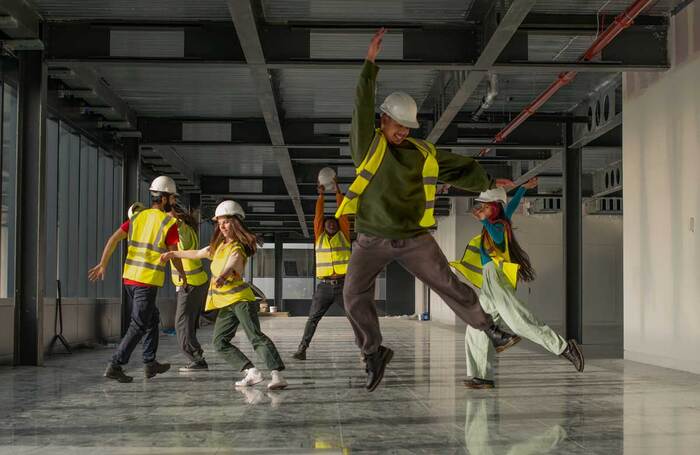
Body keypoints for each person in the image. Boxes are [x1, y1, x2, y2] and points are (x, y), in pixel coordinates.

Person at [336, 28, 519, 392]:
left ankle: (490, 329)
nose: (403, 132)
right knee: (353, 295)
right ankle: (373, 354)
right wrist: (369, 65)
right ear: (383, 120)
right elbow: (360, 107)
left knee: (447, 283)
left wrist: (492, 183)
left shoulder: (423, 155)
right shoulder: (367, 147)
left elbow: (461, 168)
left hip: (414, 238)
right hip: (371, 237)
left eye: (408, 127)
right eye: (397, 125)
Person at [451, 178, 585, 389]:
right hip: (489, 281)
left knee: (517, 320)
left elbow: (496, 235)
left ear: (493, 207)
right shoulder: (501, 218)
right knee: (476, 325)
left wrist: (484, 220)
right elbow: (510, 206)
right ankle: (481, 376)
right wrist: (522, 189)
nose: (481, 208)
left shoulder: (498, 226)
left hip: (496, 277)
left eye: (485, 206)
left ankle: (564, 348)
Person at [161, 200, 288, 390]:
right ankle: (251, 372)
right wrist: (173, 255)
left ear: (236, 222)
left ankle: (277, 375)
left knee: (255, 336)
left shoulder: (237, 247)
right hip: (226, 304)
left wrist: (223, 275)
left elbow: (233, 262)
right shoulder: (218, 247)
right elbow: (196, 253)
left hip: (241, 301)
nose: (222, 226)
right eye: (219, 223)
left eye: (226, 221)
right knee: (219, 342)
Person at [89, 176, 187, 383]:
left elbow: (113, 239)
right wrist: (183, 276)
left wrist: (103, 263)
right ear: (165, 198)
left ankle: (150, 363)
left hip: (129, 280)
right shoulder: (168, 222)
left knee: (151, 319)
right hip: (146, 281)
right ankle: (115, 365)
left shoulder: (136, 218)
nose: (174, 202)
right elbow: (173, 254)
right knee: (139, 324)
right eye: (173, 198)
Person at [293, 179, 351, 360]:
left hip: (344, 286)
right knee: (312, 318)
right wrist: (321, 196)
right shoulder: (319, 237)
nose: (331, 225)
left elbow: (342, 214)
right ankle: (302, 349)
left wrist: (337, 193)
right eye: (328, 224)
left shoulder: (344, 235)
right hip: (324, 287)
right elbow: (318, 217)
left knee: (356, 318)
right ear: (323, 227)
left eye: (334, 223)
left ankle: (368, 351)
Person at [169, 205, 210, 372]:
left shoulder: (182, 230)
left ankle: (196, 359)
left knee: (181, 324)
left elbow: (184, 246)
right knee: (188, 323)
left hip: (190, 284)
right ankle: (197, 356)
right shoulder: (186, 229)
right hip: (193, 283)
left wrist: (174, 221)